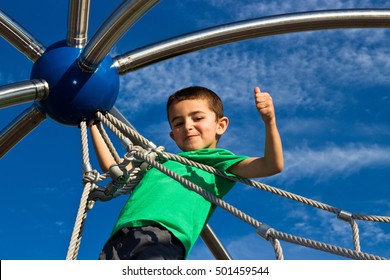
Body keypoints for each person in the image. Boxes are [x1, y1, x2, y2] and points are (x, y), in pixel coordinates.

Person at [90, 85, 283, 260]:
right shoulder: (159, 161)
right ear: (173, 136)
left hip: (163, 237)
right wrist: (92, 123)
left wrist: (269, 121)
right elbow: (114, 168)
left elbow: (271, 165)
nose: (188, 126)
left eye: (197, 118)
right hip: (119, 238)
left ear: (221, 125)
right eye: (178, 123)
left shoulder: (218, 161)